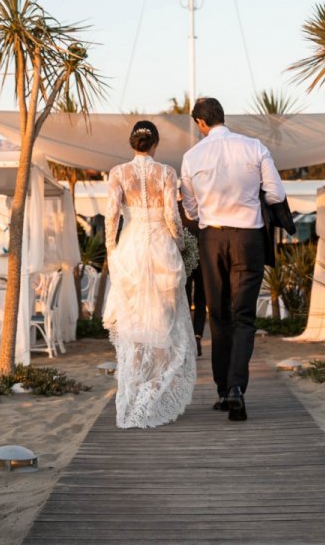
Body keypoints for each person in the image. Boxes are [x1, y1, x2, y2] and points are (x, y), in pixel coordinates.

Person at [180, 98, 286, 422]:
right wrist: (252, 199)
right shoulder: (254, 147)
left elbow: (190, 209)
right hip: (248, 238)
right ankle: (238, 387)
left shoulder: (192, 156)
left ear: (200, 123)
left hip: (212, 238)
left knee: (218, 315)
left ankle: (223, 390)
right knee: (244, 316)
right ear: (223, 117)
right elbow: (276, 194)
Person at [102, 120, 197, 429]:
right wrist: (181, 244)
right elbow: (172, 214)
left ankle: (132, 397)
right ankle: (152, 393)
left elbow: (112, 215)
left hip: (130, 250)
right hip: (160, 250)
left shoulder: (118, 173)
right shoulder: (167, 173)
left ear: (132, 144)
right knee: (165, 326)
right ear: (155, 144)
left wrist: (111, 250)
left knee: (133, 327)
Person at [178, 196, 206, 356]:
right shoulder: (204, 205)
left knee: (191, 299)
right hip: (196, 258)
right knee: (198, 299)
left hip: (190, 258)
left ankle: (192, 337)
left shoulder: (178, 207)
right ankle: (195, 336)